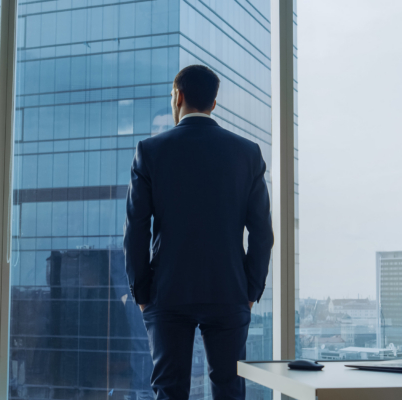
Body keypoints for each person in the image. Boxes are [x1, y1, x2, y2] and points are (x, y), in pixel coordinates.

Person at [123, 65, 274, 400]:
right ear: (214, 103)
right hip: (229, 290)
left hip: (168, 291)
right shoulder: (248, 154)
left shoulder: (150, 151)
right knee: (229, 389)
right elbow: (262, 232)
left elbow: (136, 228)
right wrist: (249, 290)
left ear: (178, 96)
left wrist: (142, 293)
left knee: (170, 390)